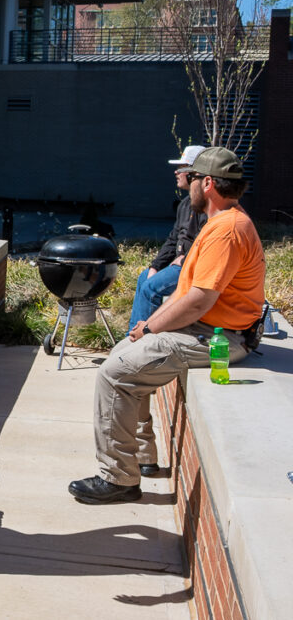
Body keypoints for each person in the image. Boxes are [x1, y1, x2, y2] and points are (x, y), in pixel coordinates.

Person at [69, 147, 265, 505]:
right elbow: (188, 290)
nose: (187, 184)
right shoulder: (220, 223)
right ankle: (141, 457)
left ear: (207, 183)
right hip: (204, 329)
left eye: (191, 178)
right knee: (124, 355)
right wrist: (150, 324)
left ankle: (118, 478)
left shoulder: (227, 230)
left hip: (219, 338)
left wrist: (151, 328)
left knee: (116, 372)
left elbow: (198, 300)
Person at [127, 145, 207, 333]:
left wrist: (184, 260)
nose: (176, 172)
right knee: (143, 278)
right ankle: (133, 333)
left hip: (190, 269)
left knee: (151, 289)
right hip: (178, 265)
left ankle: (141, 338)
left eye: (182, 167)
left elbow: (204, 244)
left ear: (194, 173)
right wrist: (155, 266)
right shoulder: (185, 204)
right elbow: (173, 239)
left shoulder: (205, 207)